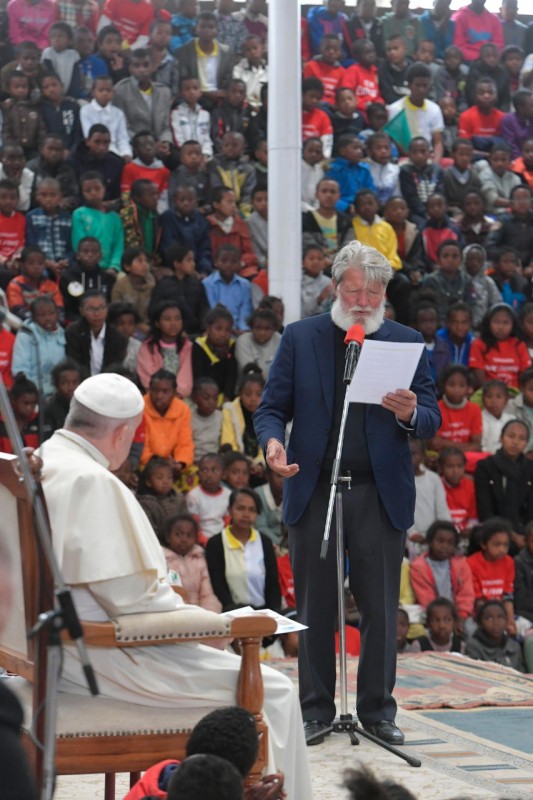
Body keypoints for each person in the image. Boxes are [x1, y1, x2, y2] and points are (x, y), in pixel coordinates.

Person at [254, 240, 440, 746]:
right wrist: (272, 443)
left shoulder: (404, 341)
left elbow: (431, 416)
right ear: (335, 287)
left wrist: (410, 413)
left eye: (373, 293)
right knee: (316, 607)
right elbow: (271, 409)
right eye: (354, 290)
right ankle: (315, 710)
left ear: (385, 294)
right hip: (315, 488)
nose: (362, 302)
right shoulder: (301, 337)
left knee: (379, 608)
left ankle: (377, 711)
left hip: (378, 494)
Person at [205, 487, 281, 613]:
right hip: (230, 613)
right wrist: (235, 611)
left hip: (263, 613)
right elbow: (217, 585)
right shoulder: (216, 543)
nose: (246, 514)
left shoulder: (264, 542)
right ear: (230, 510)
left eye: (252, 510)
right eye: (240, 508)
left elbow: (273, 585)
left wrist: (272, 615)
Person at [410, 521, 475, 632]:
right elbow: (426, 598)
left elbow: (466, 594)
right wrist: (445, 619)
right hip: (432, 613)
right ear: (430, 542)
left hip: (458, 614)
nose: (445, 546)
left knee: (470, 629)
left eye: (450, 543)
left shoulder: (462, 564)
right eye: (440, 541)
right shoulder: (418, 567)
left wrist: (461, 616)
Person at [474, 420, 533, 541]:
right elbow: (485, 511)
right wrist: (512, 536)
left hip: (525, 532)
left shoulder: (530, 469)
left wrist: (528, 537)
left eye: (522, 438)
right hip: (493, 530)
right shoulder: (485, 467)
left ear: (527, 443)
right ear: (501, 438)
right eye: (511, 436)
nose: (515, 442)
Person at [140, 368, 194, 474]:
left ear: (174, 392)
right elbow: (141, 448)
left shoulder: (182, 409)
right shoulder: (140, 407)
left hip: (172, 464)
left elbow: (185, 444)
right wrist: (162, 463)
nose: (159, 396)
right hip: (145, 464)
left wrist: (180, 463)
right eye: (155, 390)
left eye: (165, 391)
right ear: (149, 390)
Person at [11, 296, 66, 397]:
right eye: (42, 315)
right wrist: (32, 392)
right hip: (34, 394)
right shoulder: (26, 335)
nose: (48, 318)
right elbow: (20, 370)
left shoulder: (63, 334)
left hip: (59, 393)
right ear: (33, 317)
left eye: (51, 313)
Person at [137, 301, 193, 397]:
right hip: (154, 395)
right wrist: (161, 394)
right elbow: (147, 377)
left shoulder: (188, 346)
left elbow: (186, 376)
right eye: (167, 319)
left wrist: (175, 395)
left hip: (180, 397)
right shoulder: (147, 347)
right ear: (157, 323)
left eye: (177, 319)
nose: (173, 323)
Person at [65, 289, 127, 374]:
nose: (97, 314)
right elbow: (75, 364)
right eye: (91, 309)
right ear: (82, 311)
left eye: (101, 308)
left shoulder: (117, 336)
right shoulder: (73, 332)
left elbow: (116, 366)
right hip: (81, 379)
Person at [135, 457, 187, 542]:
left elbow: (186, 523)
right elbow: (149, 533)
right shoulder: (145, 504)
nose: (166, 482)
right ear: (148, 482)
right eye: (160, 478)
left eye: (169, 477)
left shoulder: (179, 498)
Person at [465, 599, 525, 671]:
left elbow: (520, 673)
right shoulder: (473, 646)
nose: (496, 623)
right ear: (480, 623)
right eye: (489, 618)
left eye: (500, 617)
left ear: (506, 620)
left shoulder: (514, 647)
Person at [186, 453, 231, 542]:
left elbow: (228, 523)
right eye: (204, 470)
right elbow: (194, 525)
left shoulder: (228, 494)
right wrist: (206, 542)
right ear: (198, 474)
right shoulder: (193, 496)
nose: (209, 475)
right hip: (200, 540)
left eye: (214, 470)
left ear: (223, 474)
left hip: (223, 538)